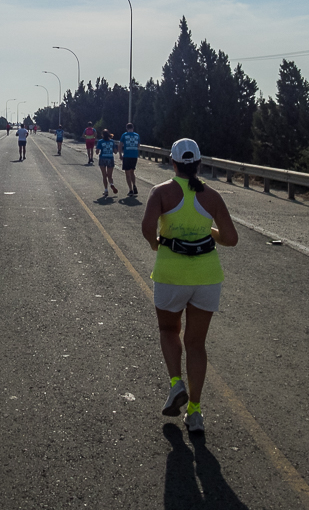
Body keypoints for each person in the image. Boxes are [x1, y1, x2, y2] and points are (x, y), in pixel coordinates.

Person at [141, 138, 239, 434]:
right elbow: (231, 238)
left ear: (172, 163)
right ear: (198, 163)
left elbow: (147, 227)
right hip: (207, 277)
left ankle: (175, 384)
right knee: (197, 344)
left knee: (168, 331)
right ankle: (195, 413)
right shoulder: (212, 196)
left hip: (171, 275)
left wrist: (155, 243)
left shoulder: (161, 192)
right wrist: (207, 230)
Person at [119, 122, 141, 195]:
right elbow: (138, 145)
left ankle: (130, 189)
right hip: (134, 156)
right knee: (132, 172)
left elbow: (120, 145)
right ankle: (134, 185)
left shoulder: (124, 135)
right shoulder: (137, 135)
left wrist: (120, 154)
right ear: (133, 128)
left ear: (126, 128)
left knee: (127, 173)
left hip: (127, 156)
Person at [95, 129, 118, 195]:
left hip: (102, 158)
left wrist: (97, 150)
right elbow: (115, 152)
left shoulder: (100, 141)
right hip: (110, 158)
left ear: (102, 135)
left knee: (104, 175)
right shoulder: (112, 141)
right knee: (110, 176)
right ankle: (111, 184)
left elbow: (97, 152)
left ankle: (106, 190)